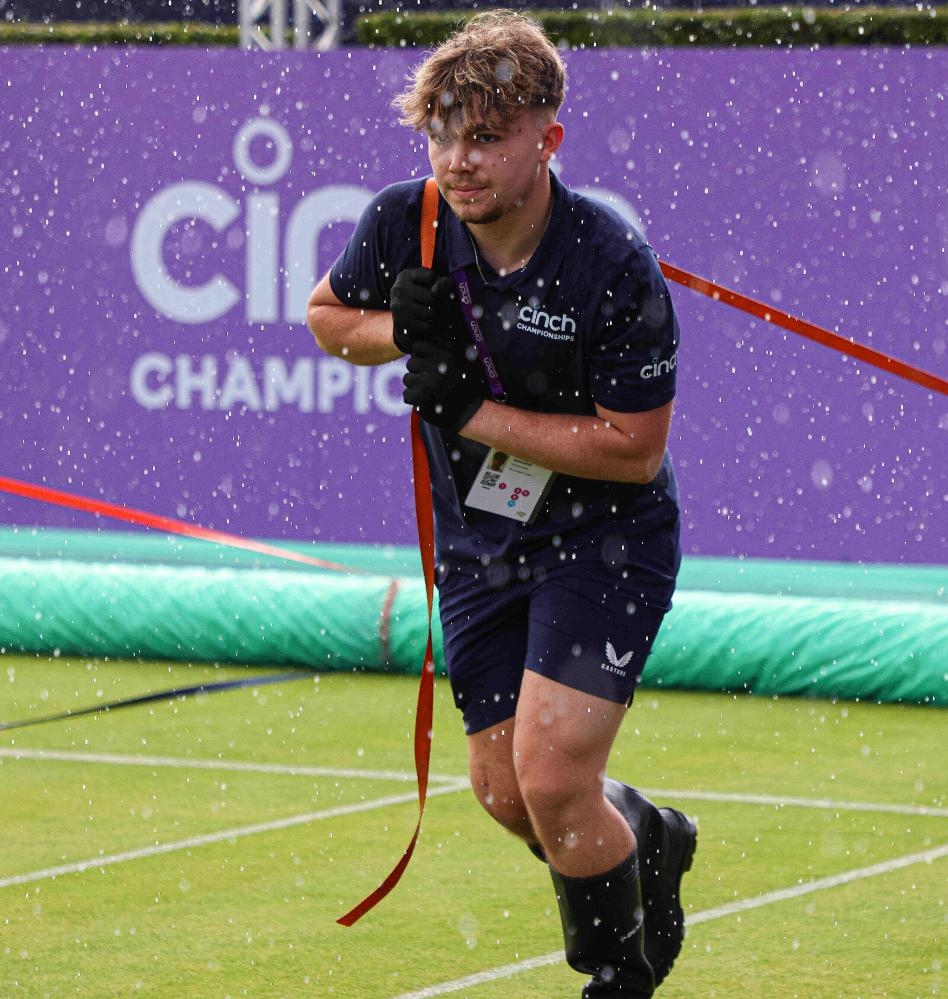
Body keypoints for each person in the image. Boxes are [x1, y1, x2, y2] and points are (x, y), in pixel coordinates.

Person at [304, 11, 695, 996]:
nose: (457, 160)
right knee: (506, 793)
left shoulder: (608, 260)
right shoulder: (408, 218)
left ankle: (618, 975)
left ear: (546, 140)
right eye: (440, 135)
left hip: (605, 539)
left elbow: (633, 452)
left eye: (484, 136)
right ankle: (645, 832)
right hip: (481, 541)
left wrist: (471, 411)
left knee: (556, 780)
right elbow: (327, 318)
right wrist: (398, 328)